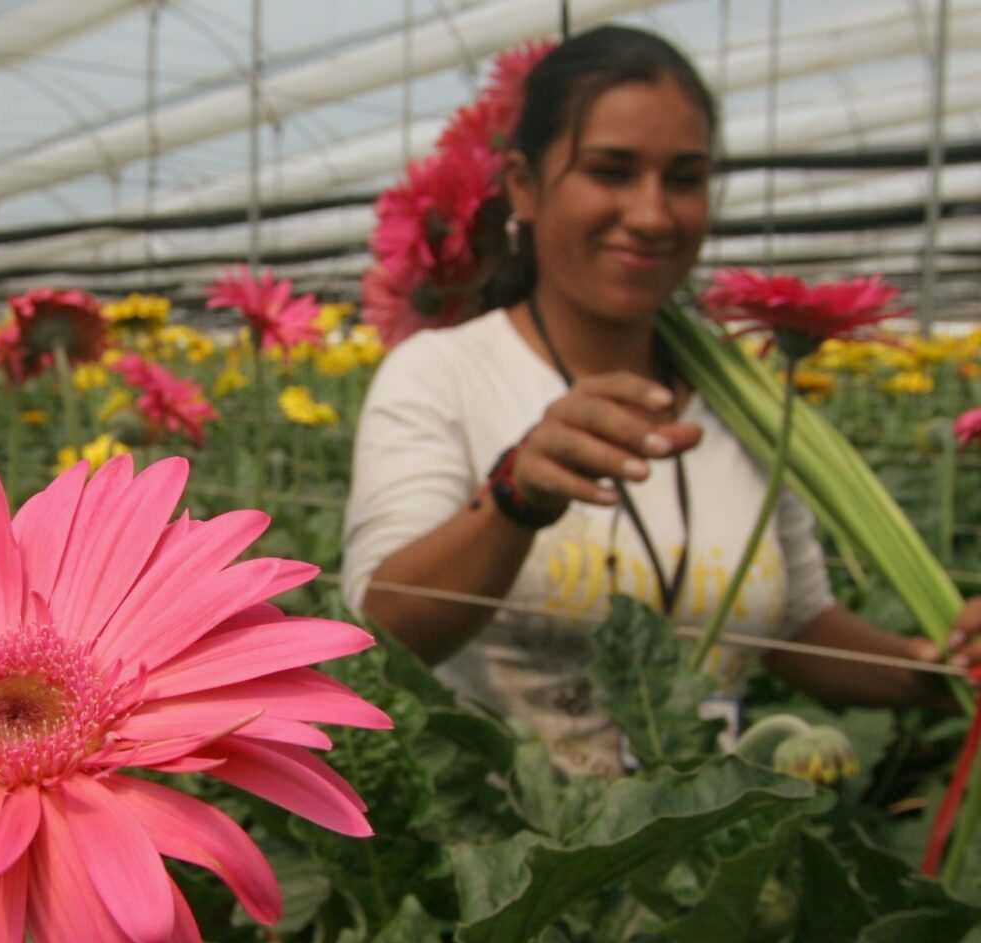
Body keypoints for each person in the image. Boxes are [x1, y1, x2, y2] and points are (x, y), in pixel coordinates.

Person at [342, 25, 979, 775]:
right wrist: (516, 496)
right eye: (610, 171)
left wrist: (941, 668)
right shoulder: (441, 373)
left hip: (705, 840)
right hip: (503, 838)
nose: (651, 214)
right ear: (523, 185)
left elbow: (797, 624)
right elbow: (378, 631)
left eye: (684, 178)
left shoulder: (744, 399)